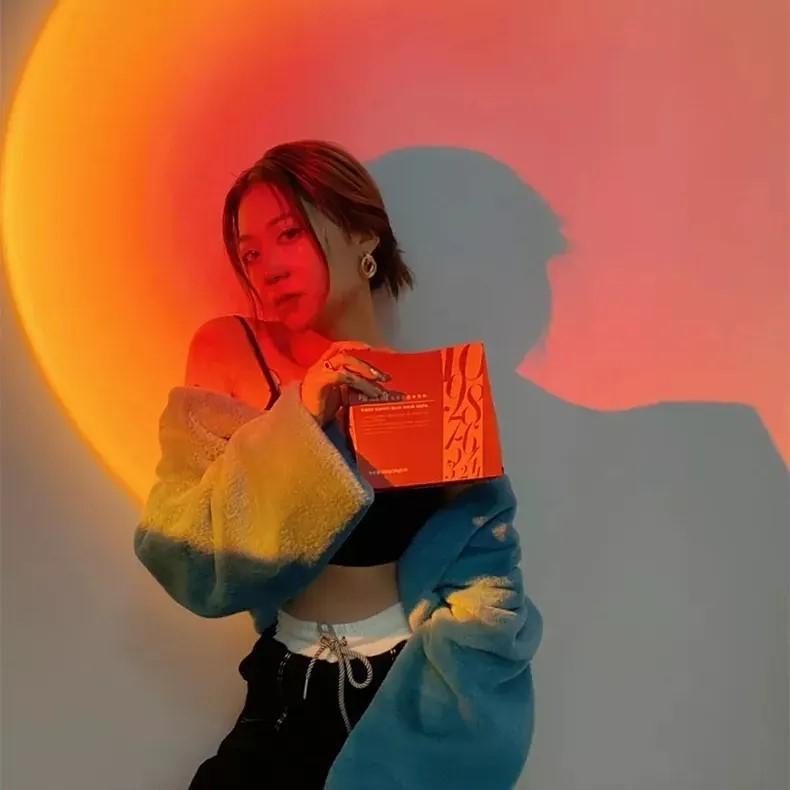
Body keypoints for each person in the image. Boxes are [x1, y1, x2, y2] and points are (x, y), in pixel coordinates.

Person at [134, 139, 542, 789]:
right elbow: (184, 558)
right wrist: (304, 414)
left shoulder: (434, 390)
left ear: (362, 234)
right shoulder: (232, 352)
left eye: (288, 233)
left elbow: (484, 565)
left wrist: (469, 684)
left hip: (406, 700)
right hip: (285, 693)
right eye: (249, 253)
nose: (267, 267)